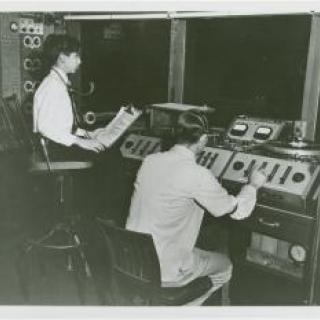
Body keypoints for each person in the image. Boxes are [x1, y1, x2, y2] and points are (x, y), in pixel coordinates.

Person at [126, 110, 267, 306]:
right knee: (225, 267)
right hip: (165, 269)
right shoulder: (197, 174)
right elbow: (237, 212)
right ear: (202, 139)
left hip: (133, 259)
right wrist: (253, 185)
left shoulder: (150, 161)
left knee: (203, 247)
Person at [33, 34, 126, 224]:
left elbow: (62, 125)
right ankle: (101, 217)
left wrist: (88, 134)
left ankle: (96, 213)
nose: (80, 61)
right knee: (108, 157)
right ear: (62, 57)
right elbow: (45, 126)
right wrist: (80, 142)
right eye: (76, 56)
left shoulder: (58, 82)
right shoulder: (52, 86)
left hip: (57, 144)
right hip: (52, 150)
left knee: (107, 151)